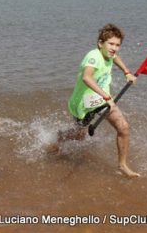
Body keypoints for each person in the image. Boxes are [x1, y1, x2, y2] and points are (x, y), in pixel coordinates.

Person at [56, 23, 140, 178]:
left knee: (123, 127)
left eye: (118, 45)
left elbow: (115, 57)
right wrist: (107, 97)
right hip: (83, 102)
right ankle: (61, 137)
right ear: (100, 43)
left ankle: (122, 165)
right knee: (80, 135)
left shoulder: (109, 53)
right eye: (111, 44)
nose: (114, 48)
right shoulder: (93, 57)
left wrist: (127, 72)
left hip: (101, 99)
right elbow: (87, 77)